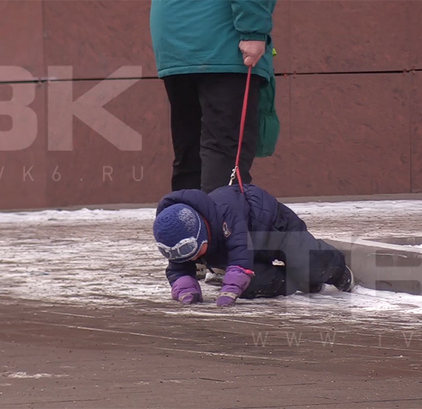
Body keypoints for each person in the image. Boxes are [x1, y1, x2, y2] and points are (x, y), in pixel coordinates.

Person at [152, 184, 355, 307]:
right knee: (252, 286)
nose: (192, 258)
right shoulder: (180, 234)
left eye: (190, 250)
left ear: (202, 232)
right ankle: (296, 281)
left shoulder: (225, 217)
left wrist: (232, 283)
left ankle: (337, 271)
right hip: (246, 250)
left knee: (309, 262)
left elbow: (240, 253)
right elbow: (177, 267)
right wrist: (186, 289)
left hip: (274, 229)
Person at [149, 0, 277, 193]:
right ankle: (223, 221)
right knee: (225, 151)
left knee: (190, 151)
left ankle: (188, 221)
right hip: (223, 40)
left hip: (173, 37)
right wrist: (253, 30)